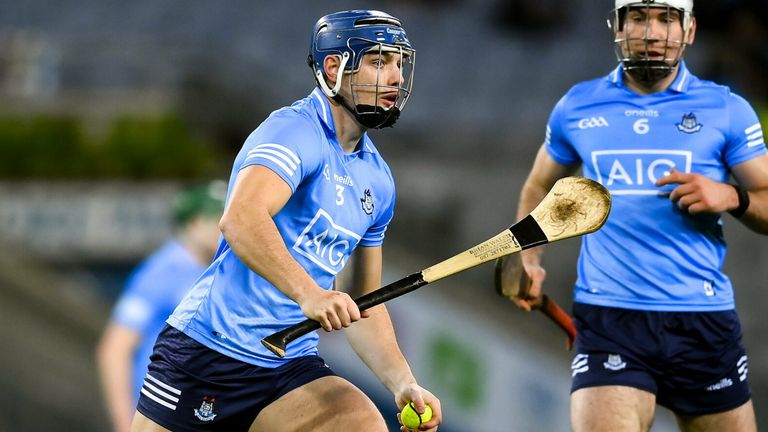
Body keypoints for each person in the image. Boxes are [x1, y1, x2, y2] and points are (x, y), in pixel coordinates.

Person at [130, 10, 442, 432]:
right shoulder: (293, 132)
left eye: (399, 64)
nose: (395, 77)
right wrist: (309, 293)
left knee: (360, 423)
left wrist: (403, 382)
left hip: (288, 360)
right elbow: (240, 218)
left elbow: (364, 302)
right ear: (334, 67)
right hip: (209, 351)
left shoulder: (378, 181)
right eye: (379, 61)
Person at [498, 1, 767, 431]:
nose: (652, 32)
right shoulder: (578, 105)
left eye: (666, 19)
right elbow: (538, 186)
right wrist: (528, 257)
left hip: (702, 319)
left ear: (689, 30)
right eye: (638, 18)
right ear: (617, 28)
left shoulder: (727, 109)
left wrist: (733, 196)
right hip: (609, 317)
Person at [96, 181, 226, 432]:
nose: (223, 229)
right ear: (194, 223)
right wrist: (125, 423)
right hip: (158, 414)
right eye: (216, 220)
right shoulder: (163, 270)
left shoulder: (213, 270)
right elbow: (115, 349)